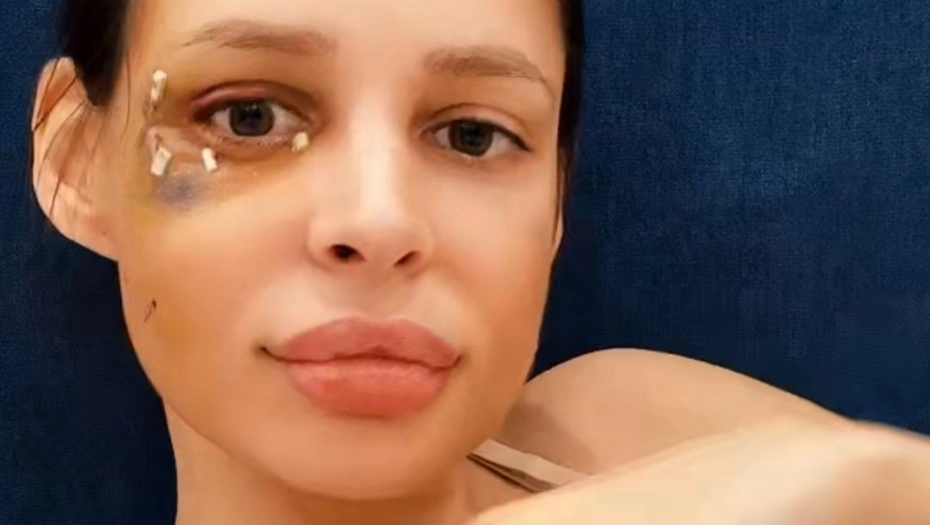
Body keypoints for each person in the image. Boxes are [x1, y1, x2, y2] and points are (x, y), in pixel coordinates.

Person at [28, 0, 930, 524]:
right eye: (248, 117)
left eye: (472, 135)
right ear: (75, 158)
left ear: (556, 205)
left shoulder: (628, 417)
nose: (380, 221)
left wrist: (877, 479)